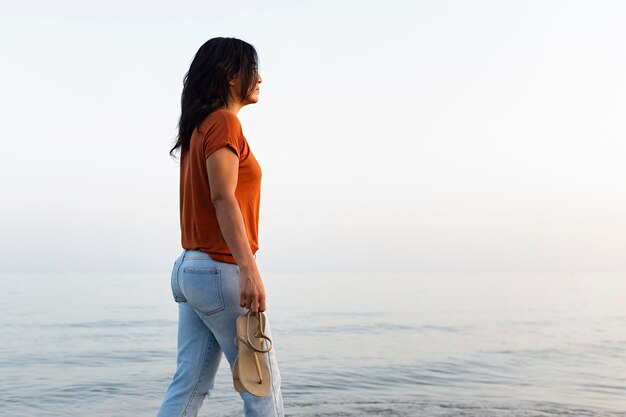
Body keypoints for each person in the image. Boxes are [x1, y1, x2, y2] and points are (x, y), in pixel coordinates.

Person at [156, 37, 284, 417]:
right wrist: (249, 268)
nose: (260, 78)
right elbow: (223, 198)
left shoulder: (198, 129)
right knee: (263, 386)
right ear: (231, 76)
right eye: (252, 69)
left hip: (190, 269)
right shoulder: (224, 123)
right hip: (220, 267)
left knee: (190, 385)